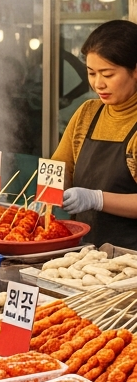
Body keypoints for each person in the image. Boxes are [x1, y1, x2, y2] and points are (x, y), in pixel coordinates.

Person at [56, 20, 137, 247]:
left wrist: (96, 198)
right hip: (85, 252)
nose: (97, 84)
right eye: (91, 73)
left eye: (108, 74)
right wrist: (50, 190)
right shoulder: (87, 113)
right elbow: (60, 166)